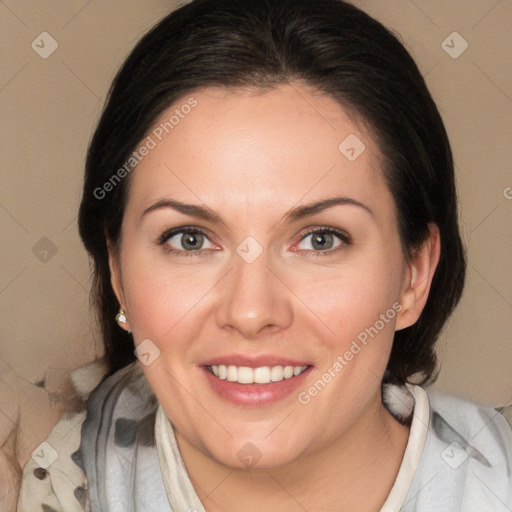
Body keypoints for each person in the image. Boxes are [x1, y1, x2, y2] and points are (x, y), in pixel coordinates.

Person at [17, 0, 512, 510]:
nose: (251, 312)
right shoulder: (31, 473)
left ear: (414, 275)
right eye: (190, 239)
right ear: (118, 271)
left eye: (321, 239)